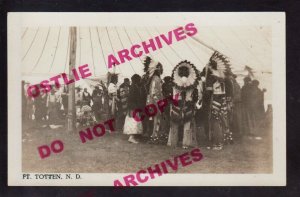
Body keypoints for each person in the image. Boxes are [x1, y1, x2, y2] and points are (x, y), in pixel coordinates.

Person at [168, 60, 199, 149]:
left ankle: (173, 142)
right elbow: (193, 97)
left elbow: (174, 96)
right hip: (184, 104)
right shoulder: (191, 83)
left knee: (176, 124)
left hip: (178, 104)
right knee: (186, 125)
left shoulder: (175, 82)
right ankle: (185, 143)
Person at [206, 60, 229, 150]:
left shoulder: (211, 77)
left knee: (215, 121)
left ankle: (218, 143)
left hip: (215, 99)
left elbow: (208, 92)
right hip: (222, 99)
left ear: (211, 67)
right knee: (220, 120)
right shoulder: (221, 76)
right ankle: (219, 142)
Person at [142, 56, 164, 144]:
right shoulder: (156, 79)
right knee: (157, 119)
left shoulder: (153, 79)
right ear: (157, 69)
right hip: (155, 102)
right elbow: (155, 92)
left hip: (151, 101)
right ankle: (155, 136)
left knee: (153, 119)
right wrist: (159, 103)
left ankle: (153, 135)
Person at [123, 74, 144, 143]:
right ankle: (131, 137)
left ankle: (132, 137)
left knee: (132, 121)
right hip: (133, 107)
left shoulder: (133, 86)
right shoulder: (134, 87)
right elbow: (134, 98)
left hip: (132, 106)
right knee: (134, 122)